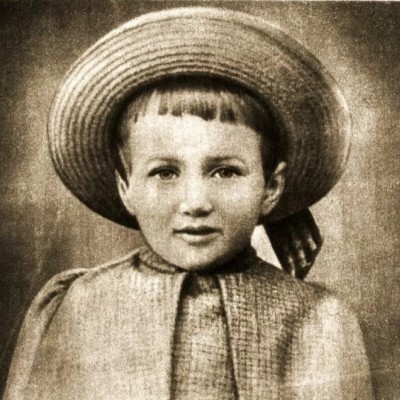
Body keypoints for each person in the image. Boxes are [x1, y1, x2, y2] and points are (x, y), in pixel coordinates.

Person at [3, 7, 373, 400]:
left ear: (271, 187)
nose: (195, 203)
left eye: (225, 172)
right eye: (165, 173)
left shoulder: (317, 319)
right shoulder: (79, 305)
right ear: (126, 187)